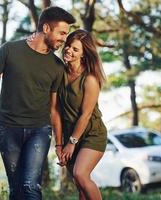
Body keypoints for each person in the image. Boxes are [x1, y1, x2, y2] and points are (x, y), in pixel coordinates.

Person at [0, 6, 75, 200]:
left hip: (39, 130)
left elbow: (54, 108)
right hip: (8, 128)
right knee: (16, 189)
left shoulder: (57, 67)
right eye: (62, 33)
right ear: (46, 28)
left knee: (31, 186)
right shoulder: (10, 50)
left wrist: (58, 143)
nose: (64, 39)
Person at [56, 29, 107, 200]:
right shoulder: (60, 73)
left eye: (75, 49)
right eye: (68, 46)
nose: (69, 50)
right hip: (70, 134)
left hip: (92, 134)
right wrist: (60, 143)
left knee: (80, 174)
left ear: (84, 54)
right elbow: (55, 110)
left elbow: (85, 115)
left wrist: (71, 143)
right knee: (80, 186)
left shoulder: (90, 79)